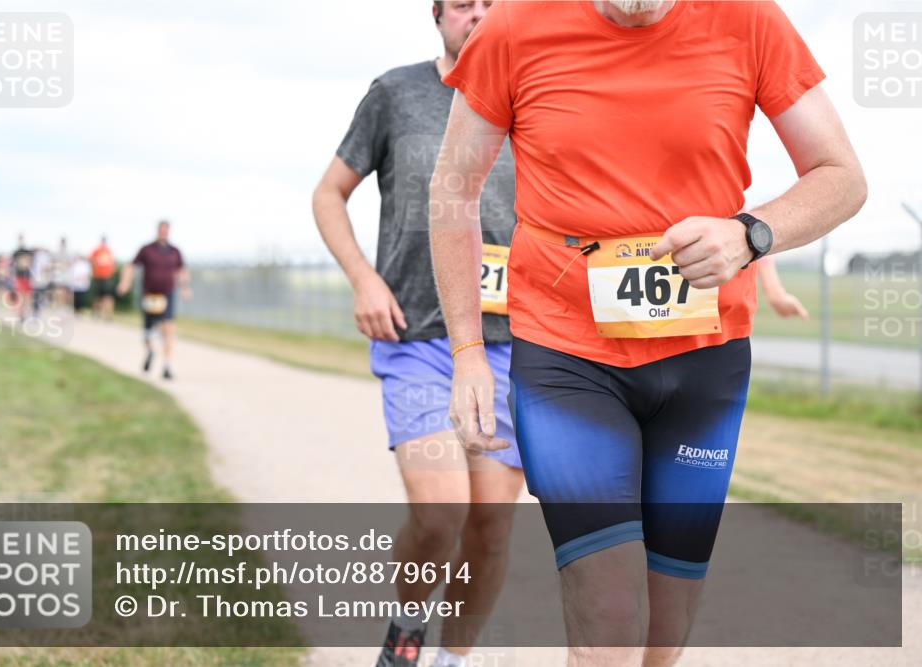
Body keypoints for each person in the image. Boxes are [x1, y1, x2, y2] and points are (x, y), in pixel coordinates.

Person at [429, 2, 866, 665]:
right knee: (609, 610)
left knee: (664, 627)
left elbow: (842, 176)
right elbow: (453, 190)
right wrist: (467, 351)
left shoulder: (749, 21)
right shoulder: (513, 29)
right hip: (566, 358)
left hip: (704, 363)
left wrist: (749, 234)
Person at [312, 3, 522, 666]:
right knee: (440, 515)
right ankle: (407, 625)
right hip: (419, 338)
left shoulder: (538, 94)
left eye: (495, 2)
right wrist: (363, 279)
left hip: (512, 343)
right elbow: (327, 194)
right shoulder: (397, 94)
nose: (480, 15)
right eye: (464, 3)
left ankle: (452, 658)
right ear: (437, 16)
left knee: (489, 527)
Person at [116, 220, 190, 380]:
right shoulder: (146, 249)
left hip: (167, 294)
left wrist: (185, 287)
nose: (163, 233)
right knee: (147, 332)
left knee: (168, 327)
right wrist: (125, 282)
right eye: (161, 230)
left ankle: (167, 365)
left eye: (166, 230)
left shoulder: (175, 251)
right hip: (149, 295)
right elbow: (131, 266)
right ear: (157, 231)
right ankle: (150, 351)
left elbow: (182, 270)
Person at [89, 236, 117, 321]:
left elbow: (112, 263)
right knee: (98, 296)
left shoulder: (108, 251)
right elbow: (91, 260)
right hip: (98, 276)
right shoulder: (97, 250)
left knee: (107, 297)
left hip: (106, 277)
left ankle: (108, 315)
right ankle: (97, 313)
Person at [11, 235, 35, 320]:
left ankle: (23, 313)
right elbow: (14, 264)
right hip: (19, 276)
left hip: (27, 277)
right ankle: (20, 314)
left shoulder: (27, 251)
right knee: (20, 296)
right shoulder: (16, 252)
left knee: (27, 297)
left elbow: (30, 262)